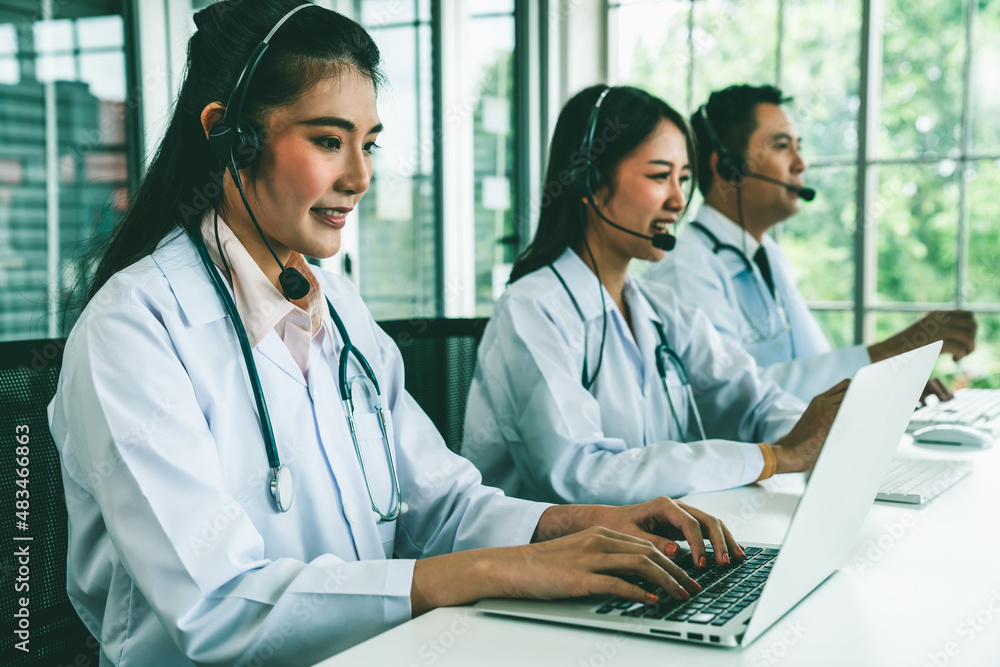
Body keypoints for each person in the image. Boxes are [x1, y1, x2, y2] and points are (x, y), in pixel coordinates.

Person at [47, 5, 742, 665]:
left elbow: (441, 503)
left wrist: (585, 526)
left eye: (369, 144)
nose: (360, 177)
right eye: (328, 140)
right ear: (229, 135)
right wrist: (499, 568)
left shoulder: (338, 308)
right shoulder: (133, 329)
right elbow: (216, 603)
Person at [461, 84, 848, 506]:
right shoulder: (532, 310)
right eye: (660, 176)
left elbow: (753, 402)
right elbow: (580, 474)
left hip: (651, 550)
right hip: (552, 563)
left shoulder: (661, 309)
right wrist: (772, 457)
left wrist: (813, 431)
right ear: (589, 180)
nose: (679, 200)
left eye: (683, 178)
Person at [644, 84, 977, 402]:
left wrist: (887, 382)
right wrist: (901, 347)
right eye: (781, 145)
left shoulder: (769, 257)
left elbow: (815, 368)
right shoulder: (685, 269)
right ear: (729, 168)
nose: (801, 163)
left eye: (798, 146)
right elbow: (735, 398)